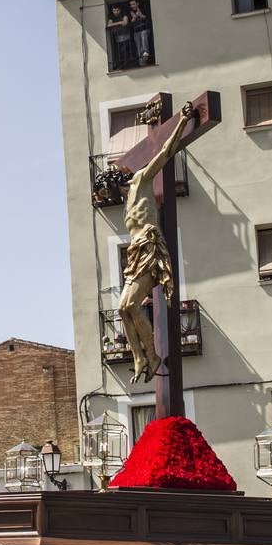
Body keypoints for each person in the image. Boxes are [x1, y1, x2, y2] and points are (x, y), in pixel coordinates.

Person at [116, 100, 194, 381]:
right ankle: (141, 358)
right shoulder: (126, 202)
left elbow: (164, 152)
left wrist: (182, 122)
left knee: (133, 304)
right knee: (123, 308)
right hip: (136, 252)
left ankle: (151, 356)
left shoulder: (141, 179)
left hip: (150, 247)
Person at [105, 4, 133, 72]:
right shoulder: (111, 17)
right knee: (120, 53)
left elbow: (125, 22)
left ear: (120, 10)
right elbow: (109, 25)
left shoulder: (124, 14)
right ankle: (121, 66)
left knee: (126, 52)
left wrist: (116, 24)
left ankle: (127, 65)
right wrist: (120, 22)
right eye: (114, 11)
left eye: (117, 10)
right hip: (118, 39)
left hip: (126, 37)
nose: (116, 12)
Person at [127, 0, 154, 66]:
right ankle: (142, 62)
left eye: (134, 4)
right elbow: (131, 22)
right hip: (136, 31)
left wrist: (139, 14)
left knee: (143, 34)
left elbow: (145, 17)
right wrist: (134, 18)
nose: (132, 6)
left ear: (137, 3)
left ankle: (145, 52)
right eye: (131, 5)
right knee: (138, 46)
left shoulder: (143, 9)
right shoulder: (130, 13)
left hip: (145, 29)